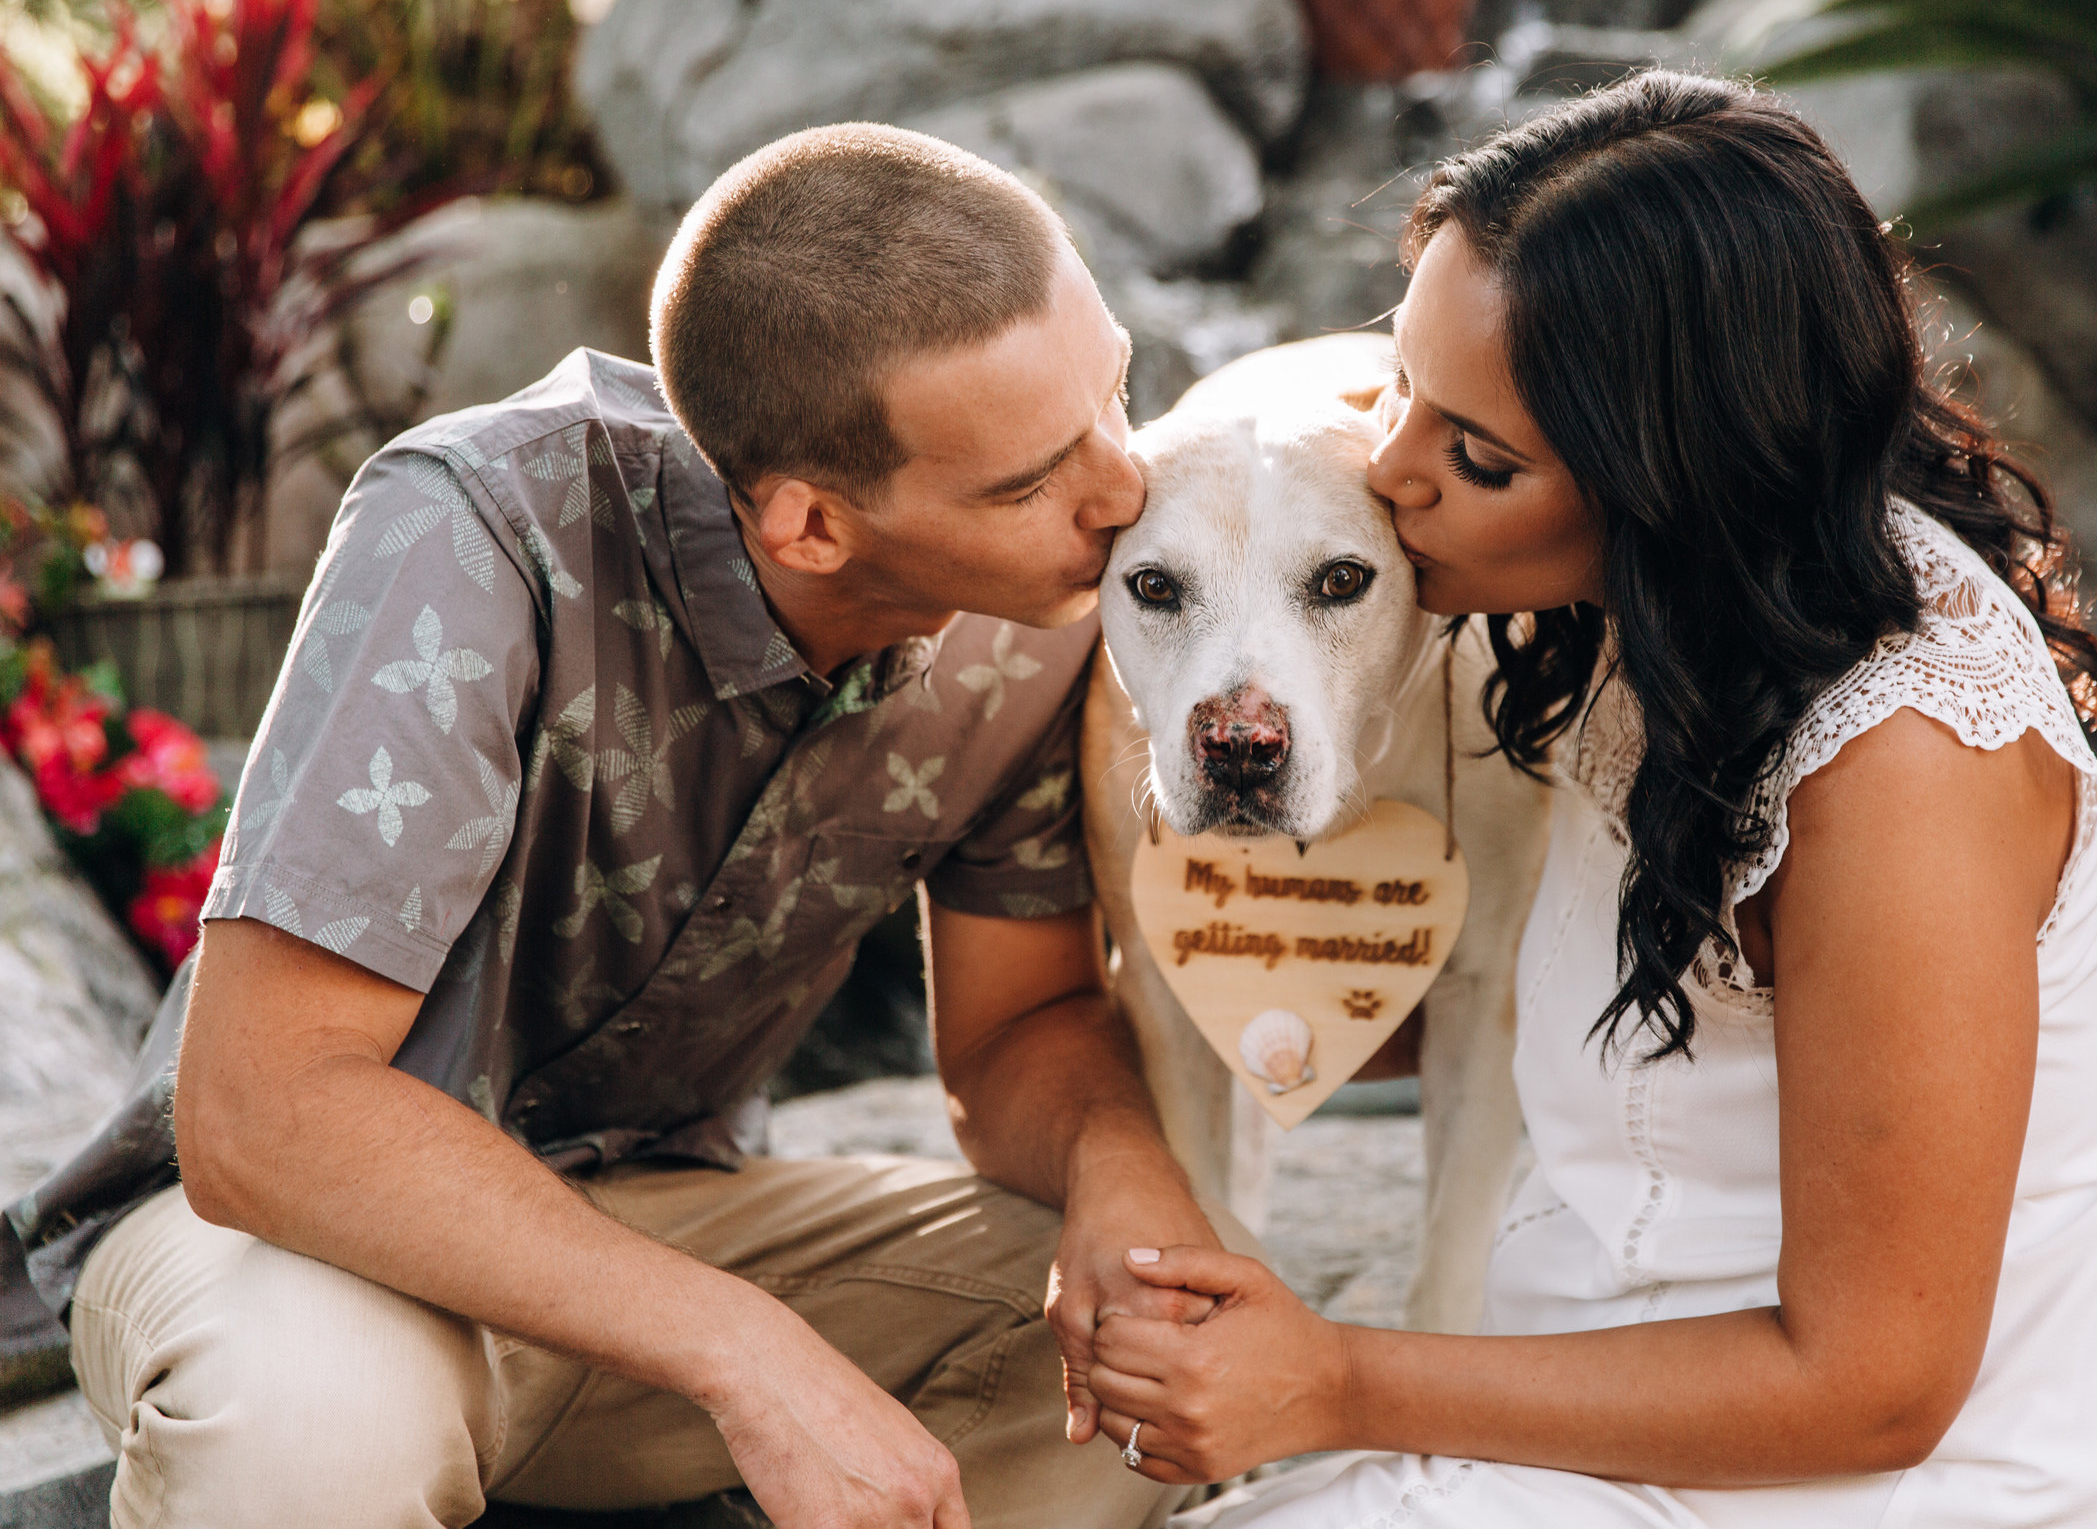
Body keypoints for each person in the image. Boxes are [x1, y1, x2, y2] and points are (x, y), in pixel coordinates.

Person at [1, 125, 1229, 1529]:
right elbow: (260, 1119)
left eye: (1116, 393)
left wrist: (1121, 1176)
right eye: (1029, 481)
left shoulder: (1049, 608)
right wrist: (745, 1351)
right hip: (285, 1246)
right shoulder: (477, 533)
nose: (1124, 488)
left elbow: (1020, 1031)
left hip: (657, 1223)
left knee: (1133, 1358)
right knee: (308, 1426)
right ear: (811, 527)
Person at [1080, 71, 2097, 1527]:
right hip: (1615, 1395)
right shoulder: (1662, 609)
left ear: (1662, 474)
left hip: (1888, 1485)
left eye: (1475, 455)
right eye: (1401, 389)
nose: (1392, 473)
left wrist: (1343, 1382)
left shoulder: (1906, 757)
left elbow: (1875, 1387)